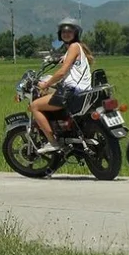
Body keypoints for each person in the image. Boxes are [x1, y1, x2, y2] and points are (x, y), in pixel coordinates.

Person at [34, 17, 94, 154]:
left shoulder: (74, 47)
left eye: (69, 31)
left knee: (35, 106)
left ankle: (52, 142)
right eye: (63, 31)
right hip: (81, 91)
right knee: (51, 93)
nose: (66, 33)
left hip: (72, 92)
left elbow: (62, 72)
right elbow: (71, 71)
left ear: (76, 33)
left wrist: (46, 84)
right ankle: (62, 130)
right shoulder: (77, 48)